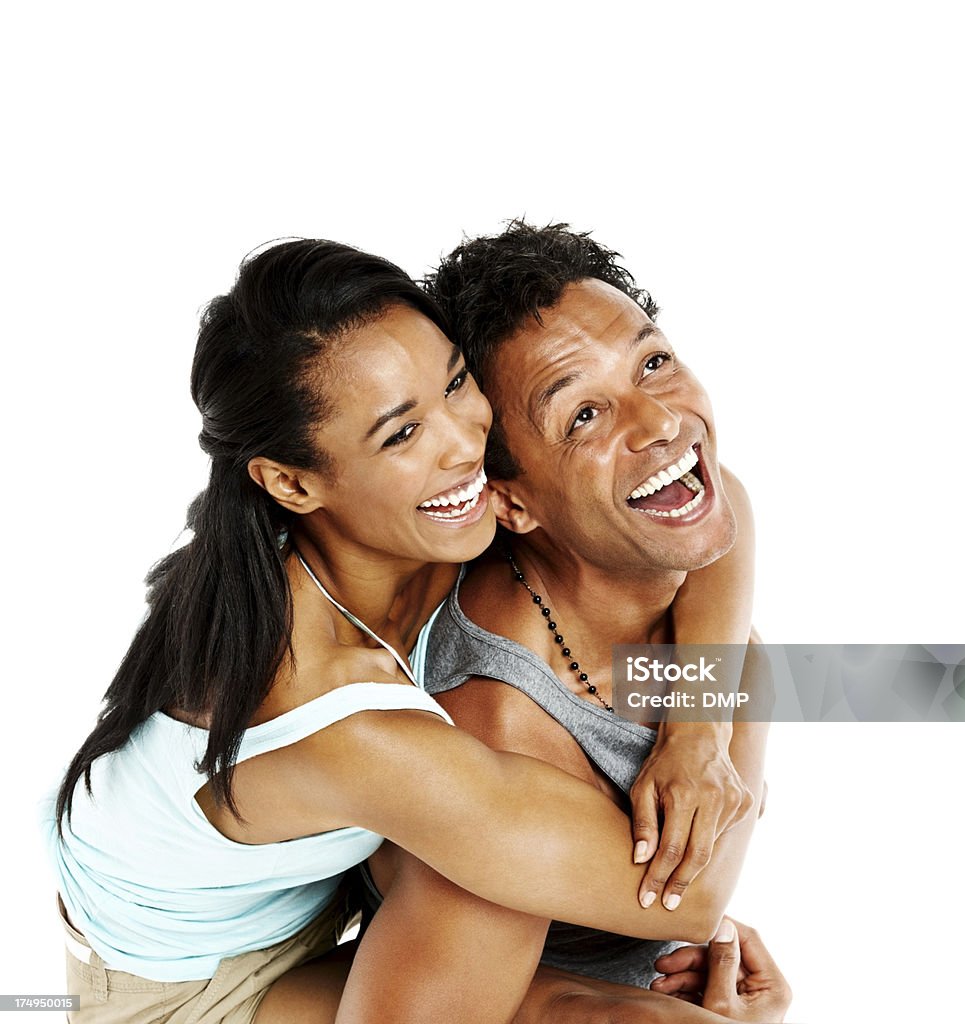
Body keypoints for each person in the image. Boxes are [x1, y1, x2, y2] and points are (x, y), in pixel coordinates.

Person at [42, 238, 783, 1024]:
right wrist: (747, 683)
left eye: (458, 385)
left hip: (323, 903)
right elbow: (690, 899)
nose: (466, 445)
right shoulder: (342, 715)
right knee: (498, 890)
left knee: (536, 912)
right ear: (293, 482)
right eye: (402, 435)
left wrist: (697, 732)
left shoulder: (426, 521)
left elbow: (703, 504)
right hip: (183, 991)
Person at [345, 222, 773, 1019]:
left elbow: (725, 507)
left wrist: (697, 732)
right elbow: (696, 898)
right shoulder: (495, 724)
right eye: (583, 416)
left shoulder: (653, 529)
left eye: (653, 362)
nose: (659, 424)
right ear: (511, 501)